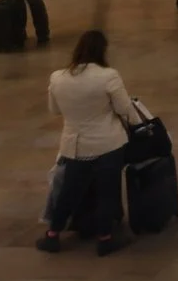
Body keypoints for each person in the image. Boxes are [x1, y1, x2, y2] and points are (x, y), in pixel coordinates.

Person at [38, 31, 140, 256]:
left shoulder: (58, 78)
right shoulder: (109, 76)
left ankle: (53, 235)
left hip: (75, 146)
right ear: (102, 51)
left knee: (68, 192)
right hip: (108, 144)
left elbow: (54, 109)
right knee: (107, 192)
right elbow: (124, 109)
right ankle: (105, 239)